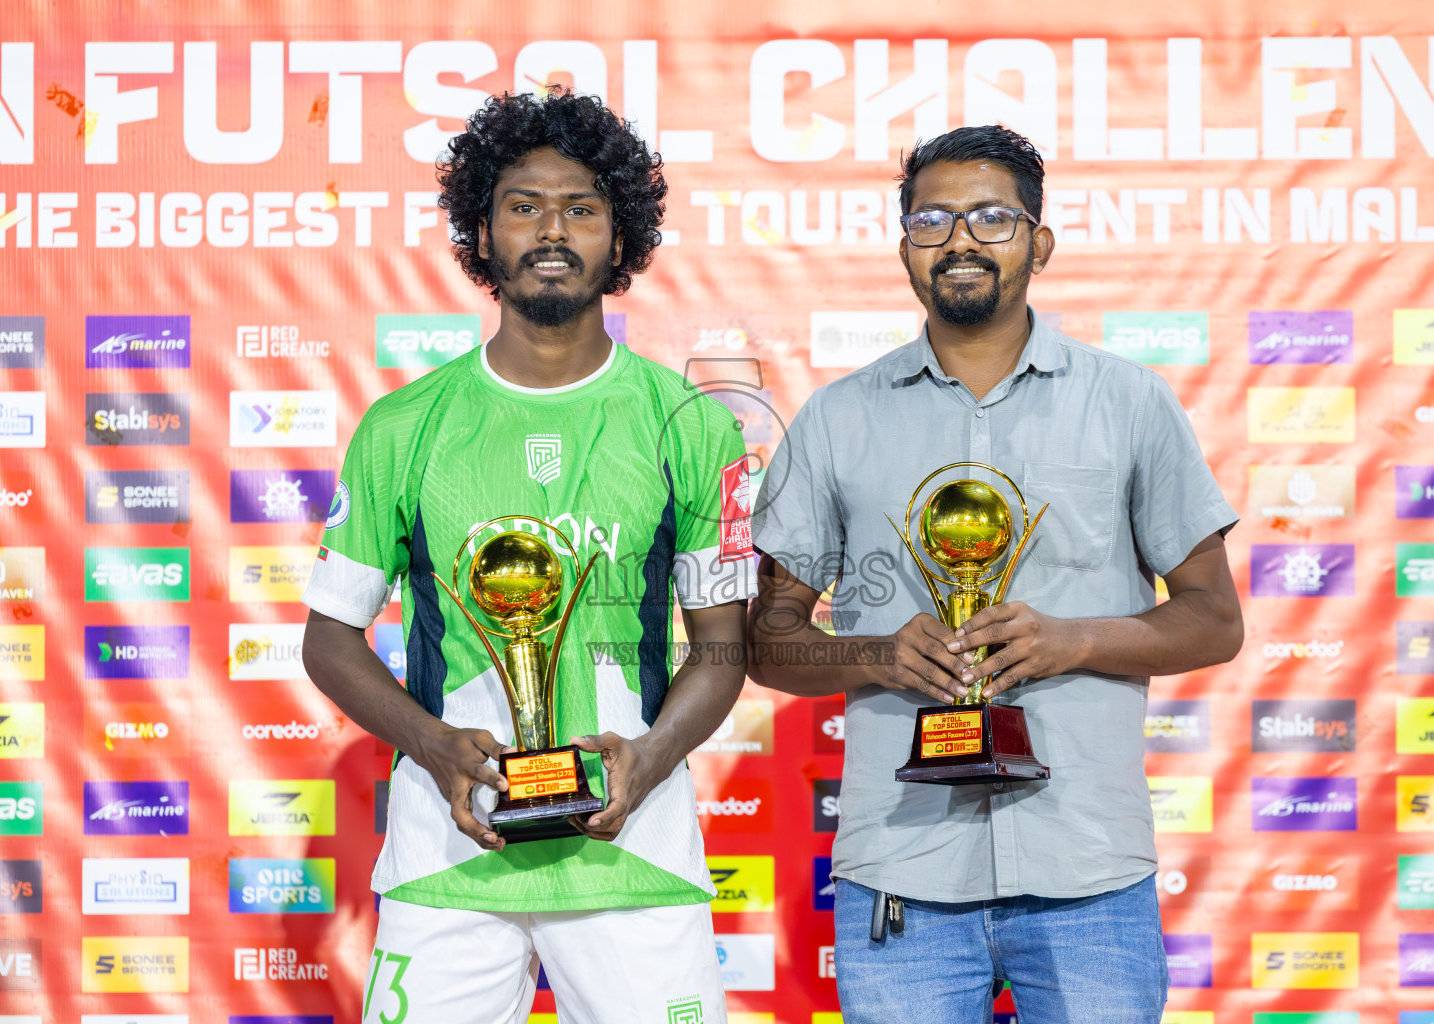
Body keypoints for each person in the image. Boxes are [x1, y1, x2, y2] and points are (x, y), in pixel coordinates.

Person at [747, 124, 1242, 1023]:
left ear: (1038, 243)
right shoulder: (836, 419)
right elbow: (769, 644)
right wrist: (879, 657)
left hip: (1088, 869)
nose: (961, 240)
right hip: (903, 871)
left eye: (991, 218)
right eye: (932, 220)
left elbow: (1214, 620)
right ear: (904, 246)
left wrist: (1073, 639)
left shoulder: (1127, 403)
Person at [302, 89, 754, 1024]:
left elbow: (722, 644)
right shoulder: (402, 428)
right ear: (482, 231)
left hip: (632, 853)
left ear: (623, 239)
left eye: (582, 208)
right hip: (451, 856)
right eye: (524, 206)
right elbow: (329, 640)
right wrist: (431, 746)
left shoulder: (690, 427)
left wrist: (655, 752)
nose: (552, 229)